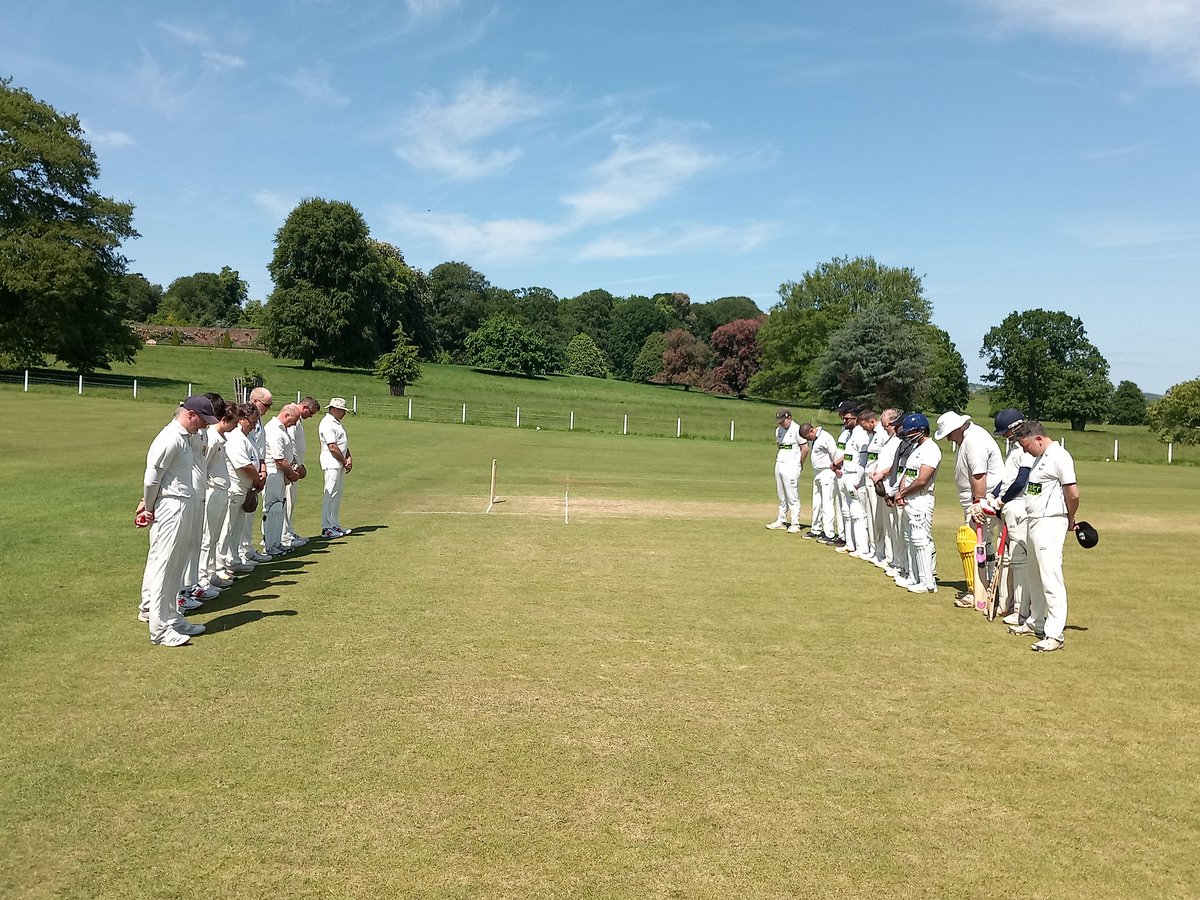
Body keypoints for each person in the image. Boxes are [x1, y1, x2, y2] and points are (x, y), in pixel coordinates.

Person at [138, 397, 218, 647]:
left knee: (178, 565)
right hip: (171, 504)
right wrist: (149, 508)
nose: (204, 427)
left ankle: (172, 617)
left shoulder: (187, 437)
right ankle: (159, 629)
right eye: (202, 421)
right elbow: (152, 478)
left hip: (184, 503)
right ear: (191, 415)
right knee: (165, 566)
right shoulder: (170, 437)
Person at [1003, 420, 1079, 652]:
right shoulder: (1037, 458)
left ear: (1038, 438)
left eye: (1027, 446)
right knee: (1034, 575)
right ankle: (1036, 621)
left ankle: (1055, 634)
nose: (1025, 451)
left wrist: (1070, 518)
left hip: (1051, 522)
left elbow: (1073, 494)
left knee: (1050, 578)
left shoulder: (1060, 456)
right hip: (1033, 522)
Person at [934, 411, 1004, 608]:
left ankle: (982, 589)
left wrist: (978, 502)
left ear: (957, 427)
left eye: (948, 433)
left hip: (985, 500)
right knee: (982, 544)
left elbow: (979, 474)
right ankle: (985, 586)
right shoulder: (969, 438)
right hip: (978, 500)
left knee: (977, 543)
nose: (948, 438)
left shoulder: (974, 441)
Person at [972, 409, 1033, 626]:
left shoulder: (1026, 450)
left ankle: (1021, 609)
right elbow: (1007, 480)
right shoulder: (1016, 450)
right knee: (1007, 560)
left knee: (1019, 561)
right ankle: (1006, 604)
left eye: (1006, 433)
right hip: (1008, 506)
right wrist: (992, 495)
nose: (1005, 437)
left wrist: (1002, 500)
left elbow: (1020, 482)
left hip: (1018, 506)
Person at [892, 412, 942, 594]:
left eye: (911, 431)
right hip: (909, 498)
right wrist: (901, 492)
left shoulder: (931, 449)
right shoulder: (915, 448)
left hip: (921, 498)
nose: (908, 435)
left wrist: (903, 492)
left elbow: (922, 480)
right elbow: (908, 473)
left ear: (921, 430)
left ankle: (928, 582)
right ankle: (914, 576)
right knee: (910, 538)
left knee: (921, 540)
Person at [198, 400, 241, 593]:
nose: (236, 426)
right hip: (212, 490)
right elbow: (203, 468)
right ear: (224, 420)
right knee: (207, 537)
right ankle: (202, 578)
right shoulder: (213, 438)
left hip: (221, 490)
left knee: (213, 536)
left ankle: (210, 573)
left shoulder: (220, 438)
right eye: (234, 422)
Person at [223, 403, 265, 574]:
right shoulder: (235, 438)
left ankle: (234, 560)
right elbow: (244, 465)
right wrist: (258, 478)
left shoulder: (249, 437)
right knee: (228, 528)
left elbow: (258, 458)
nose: (254, 425)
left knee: (237, 528)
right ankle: (222, 564)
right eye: (252, 421)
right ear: (241, 419)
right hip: (235, 487)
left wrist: (261, 473)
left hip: (247, 488)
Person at [239, 387, 274, 565]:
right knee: (241, 516)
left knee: (251, 512)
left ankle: (247, 548)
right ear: (254, 401)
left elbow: (260, 449)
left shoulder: (259, 422)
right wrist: (257, 474)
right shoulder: (245, 421)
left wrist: (263, 470)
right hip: (246, 474)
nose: (268, 408)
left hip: (257, 470)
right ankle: (240, 552)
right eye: (266, 404)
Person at [262, 403, 302, 557]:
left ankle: (276, 542)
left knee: (279, 508)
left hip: (280, 473)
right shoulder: (274, 429)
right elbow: (278, 458)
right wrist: (292, 473)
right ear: (287, 416)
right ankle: (269, 544)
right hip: (273, 472)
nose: (294, 424)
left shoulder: (281, 429)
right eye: (294, 420)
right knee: (271, 508)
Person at [867, 409, 903, 571]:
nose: (885, 429)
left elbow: (895, 465)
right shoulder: (890, 440)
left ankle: (895, 560)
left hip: (890, 485)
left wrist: (881, 473)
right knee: (887, 525)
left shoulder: (897, 442)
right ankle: (890, 558)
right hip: (883, 485)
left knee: (893, 526)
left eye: (886, 426)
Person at [283, 397, 320, 549]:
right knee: (287, 499)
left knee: (292, 499)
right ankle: (284, 534)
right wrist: (297, 464)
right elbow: (290, 442)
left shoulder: (298, 418)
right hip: (291, 466)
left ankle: (288, 530)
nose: (311, 416)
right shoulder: (292, 416)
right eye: (310, 413)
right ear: (305, 407)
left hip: (294, 464)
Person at [835, 405, 871, 555]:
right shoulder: (848, 434)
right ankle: (850, 543)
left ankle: (862, 547)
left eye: (847, 418)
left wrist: (857, 481)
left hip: (855, 477)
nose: (844, 420)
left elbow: (862, 461)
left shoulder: (861, 435)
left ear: (856, 419)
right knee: (847, 512)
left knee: (857, 514)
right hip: (845, 474)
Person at [766, 409, 808, 533]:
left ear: (789, 418)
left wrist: (799, 464)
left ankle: (795, 523)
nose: (781, 424)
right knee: (781, 495)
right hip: (780, 463)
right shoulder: (778, 431)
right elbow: (779, 446)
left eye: (783, 421)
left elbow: (805, 449)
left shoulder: (797, 429)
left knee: (792, 496)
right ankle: (781, 520)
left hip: (792, 465)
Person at [798, 421, 840, 543]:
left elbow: (834, 454)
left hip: (827, 472)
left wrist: (836, 467)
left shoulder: (826, 437)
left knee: (827, 503)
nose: (808, 440)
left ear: (811, 431)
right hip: (817, 473)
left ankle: (829, 533)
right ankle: (816, 529)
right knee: (817, 503)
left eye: (807, 437)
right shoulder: (815, 439)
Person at [319, 396, 354, 538]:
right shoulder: (327, 423)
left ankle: (334, 524)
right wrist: (344, 461)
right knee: (330, 494)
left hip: (338, 462)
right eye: (342, 410)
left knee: (337, 494)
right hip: (331, 462)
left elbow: (342, 443)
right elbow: (332, 447)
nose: (344, 413)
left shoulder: (336, 422)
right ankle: (326, 527)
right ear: (333, 409)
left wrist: (348, 456)